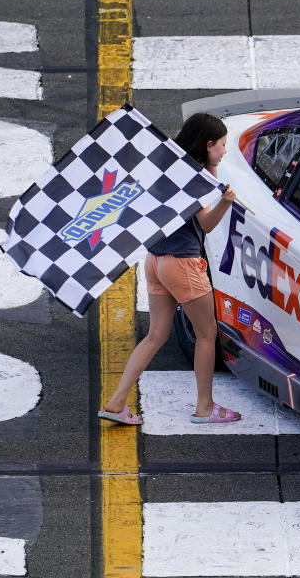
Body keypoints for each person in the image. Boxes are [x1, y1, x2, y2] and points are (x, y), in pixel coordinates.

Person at [98, 112, 241, 425]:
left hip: (155, 261)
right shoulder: (198, 181)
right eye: (221, 145)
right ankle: (205, 407)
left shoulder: (170, 169)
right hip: (183, 264)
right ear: (207, 145)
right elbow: (205, 224)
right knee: (206, 334)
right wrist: (225, 201)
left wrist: (213, 167)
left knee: (155, 335)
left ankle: (117, 401)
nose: (225, 151)